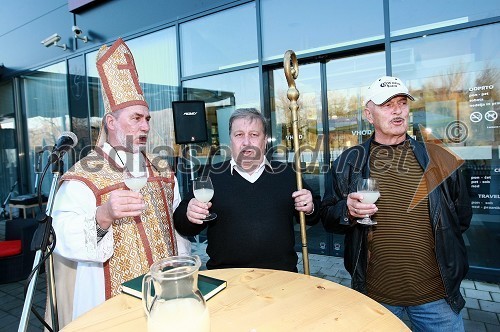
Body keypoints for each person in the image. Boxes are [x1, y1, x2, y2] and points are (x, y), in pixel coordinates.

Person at [48, 38, 190, 327]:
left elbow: (179, 233)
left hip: (165, 296)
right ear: (111, 123)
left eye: (148, 119)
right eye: (136, 118)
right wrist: (103, 216)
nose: (146, 126)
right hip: (108, 298)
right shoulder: (83, 177)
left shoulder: (162, 171)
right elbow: (61, 238)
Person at [320, 76, 472, 331]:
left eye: (402, 102)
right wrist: (346, 211)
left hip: (437, 300)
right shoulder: (348, 161)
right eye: (386, 104)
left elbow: (460, 219)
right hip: (377, 299)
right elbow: (327, 216)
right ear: (369, 114)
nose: (397, 110)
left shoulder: (440, 157)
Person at [174, 108, 320, 272]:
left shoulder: (287, 174)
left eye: (254, 135)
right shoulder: (210, 174)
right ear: (231, 140)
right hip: (227, 276)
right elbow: (182, 224)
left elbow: (315, 214)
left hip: (281, 277)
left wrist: (310, 207)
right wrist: (190, 215)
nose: (246, 142)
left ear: (265, 140)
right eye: (239, 135)